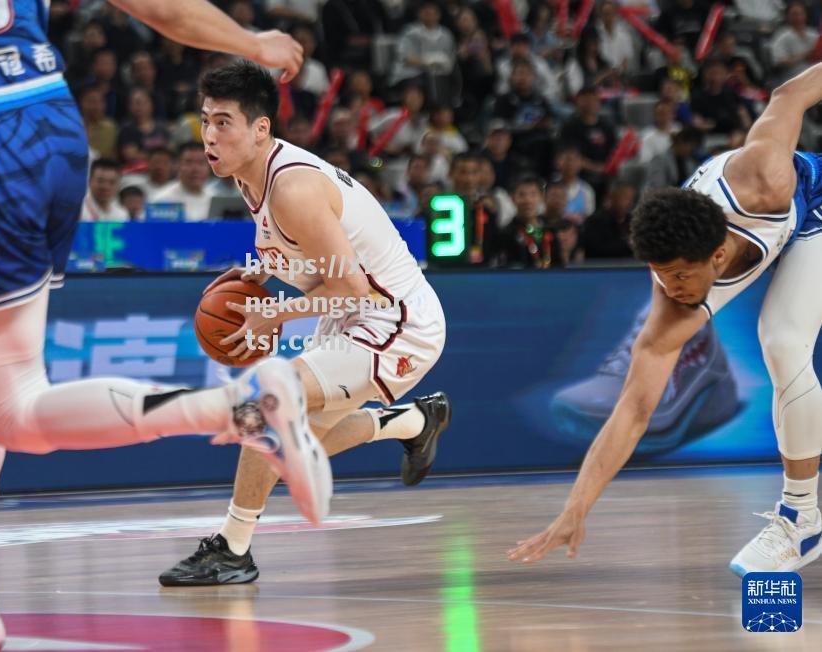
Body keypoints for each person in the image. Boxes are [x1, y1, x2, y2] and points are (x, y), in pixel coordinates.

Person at [0, 1, 326, 649]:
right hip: (51, 120)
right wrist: (253, 42)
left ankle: (242, 408)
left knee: (14, 409)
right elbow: (161, 9)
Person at [509, 61, 822, 577]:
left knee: (783, 339)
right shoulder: (670, 304)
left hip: (812, 205)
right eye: (659, 275)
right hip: (768, 233)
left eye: (679, 276)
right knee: (783, 341)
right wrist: (575, 509)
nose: (670, 289)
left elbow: (790, 94)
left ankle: (798, 516)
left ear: (717, 258)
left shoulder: (764, 175)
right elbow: (631, 411)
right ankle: (801, 520)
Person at [159, 61, 451, 586]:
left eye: (224, 122)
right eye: (205, 120)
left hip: (395, 321)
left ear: (261, 129)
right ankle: (411, 422)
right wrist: (261, 271)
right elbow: (317, 267)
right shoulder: (253, 178)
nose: (209, 135)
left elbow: (351, 285)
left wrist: (271, 311)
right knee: (293, 444)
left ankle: (232, 549)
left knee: (272, 405)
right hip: (349, 314)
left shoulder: (292, 188)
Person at [150, 142, 215, 220]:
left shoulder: (214, 199)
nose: (195, 169)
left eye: (201, 163)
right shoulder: (161, 200)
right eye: (188, 162)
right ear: (178, 165)